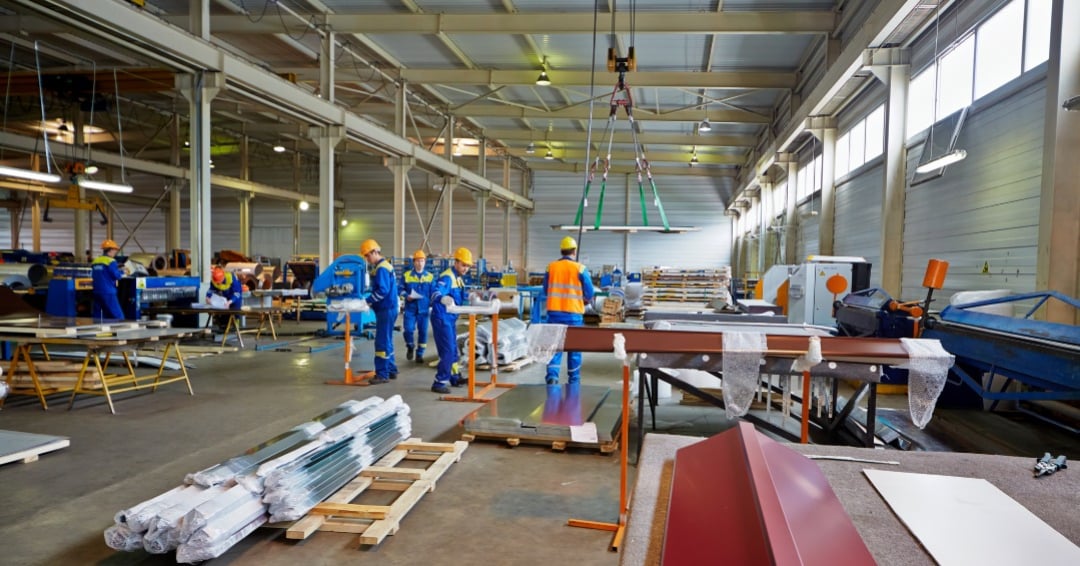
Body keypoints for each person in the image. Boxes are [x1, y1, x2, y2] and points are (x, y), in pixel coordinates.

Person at [543, 236, 595, 385]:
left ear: (561, 250)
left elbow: (546, 289)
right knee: (574, 349)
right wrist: (584, 299)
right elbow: (590, 293)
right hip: (573, 315)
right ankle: (574, 379)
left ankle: (552, 377)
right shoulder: (580, 268)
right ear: (574, 251)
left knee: (554, 347)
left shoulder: (551, 267)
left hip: (554, 313)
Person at [430, 247, 473, 394]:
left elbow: (460, 297)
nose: (465, 268)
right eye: (463, 265)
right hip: (442, 318)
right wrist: (442, 298)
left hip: (450, 319)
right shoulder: (447, 277)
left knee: (454, 350)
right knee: (447, 351)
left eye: (467, 266)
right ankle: (439, 382)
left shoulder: (458, 278)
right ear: (456, 262)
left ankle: (454, 377)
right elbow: (435, 291)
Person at [360, 239, 399, 384]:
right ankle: (391, 369)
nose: (367, 259)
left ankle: (382, 374)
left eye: (368, 255)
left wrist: (367, 301)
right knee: (388, 339)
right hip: (389, 308)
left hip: (386, 309)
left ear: (375, 252)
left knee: (382, 342)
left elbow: (383, 290)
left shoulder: (382, 268)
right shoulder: (385, 266)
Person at [401, 249, 434, 363]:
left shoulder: (430, 277)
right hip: (410, 308)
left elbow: (434, 293)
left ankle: (420, 354)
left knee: (423, 332)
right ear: (413, 262)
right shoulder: (406, 275)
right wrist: (406, 295)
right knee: (408, 330)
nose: (420, 263)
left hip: (424, 310)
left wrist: (433, 303)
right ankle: (410, 345)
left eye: (422, 261)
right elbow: (400, 289)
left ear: (425, 262)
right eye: (417, 261)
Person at [91, 239, 127, 320]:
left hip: (96, 291)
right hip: (108, 292)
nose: (115, 252)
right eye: (115, 250)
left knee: (99, 316)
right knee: (118, 315)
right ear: (110, 250)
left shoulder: (95, 261)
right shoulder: (111, 261)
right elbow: (116, 275)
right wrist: (123, 272)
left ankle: (98, 331)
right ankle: (122, 331)